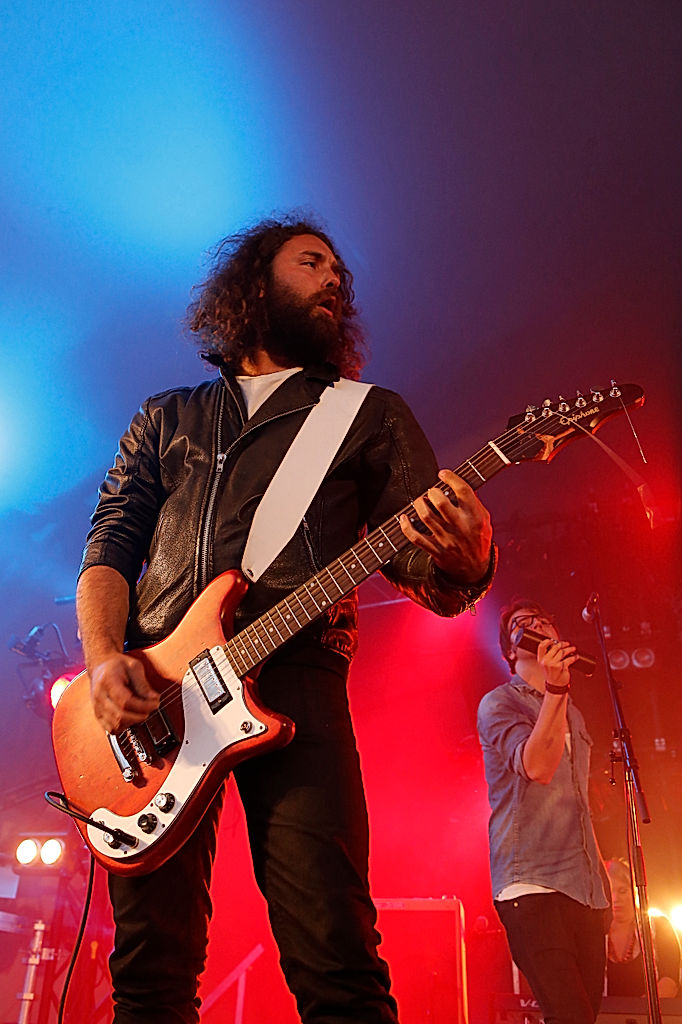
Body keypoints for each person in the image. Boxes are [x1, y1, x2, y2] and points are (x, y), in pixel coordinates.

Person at [76, 214, 496, 1024]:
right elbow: (110, 548)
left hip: (297, 682)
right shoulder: (167, 416)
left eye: (341, 272)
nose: (334, 279)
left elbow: (425, 569)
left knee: (335, 956)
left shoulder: (369, 414)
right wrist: (103, 661)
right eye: (312, 263)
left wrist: (469, 556)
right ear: (254, 285)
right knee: (147, 977)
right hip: (157, 697)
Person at [477, 599, 610, 1024]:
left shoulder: (574, 713)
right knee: (570, 1015)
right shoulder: (499, 703)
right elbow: (537, 767)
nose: (538, 625)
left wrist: (603, 883)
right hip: (532, 884)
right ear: (509, 650)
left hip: (585, 889)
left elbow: (578, 804)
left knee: (586, 1015)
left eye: (544, 620)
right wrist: (555, 690)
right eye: (524, 623)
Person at [606, 858, 680, 998]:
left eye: (622, 891)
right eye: (609, 891)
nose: (615, 898)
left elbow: (670, 981)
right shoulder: (593, 935)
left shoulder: (660, 927)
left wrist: (638, 1009)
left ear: (635, 892)